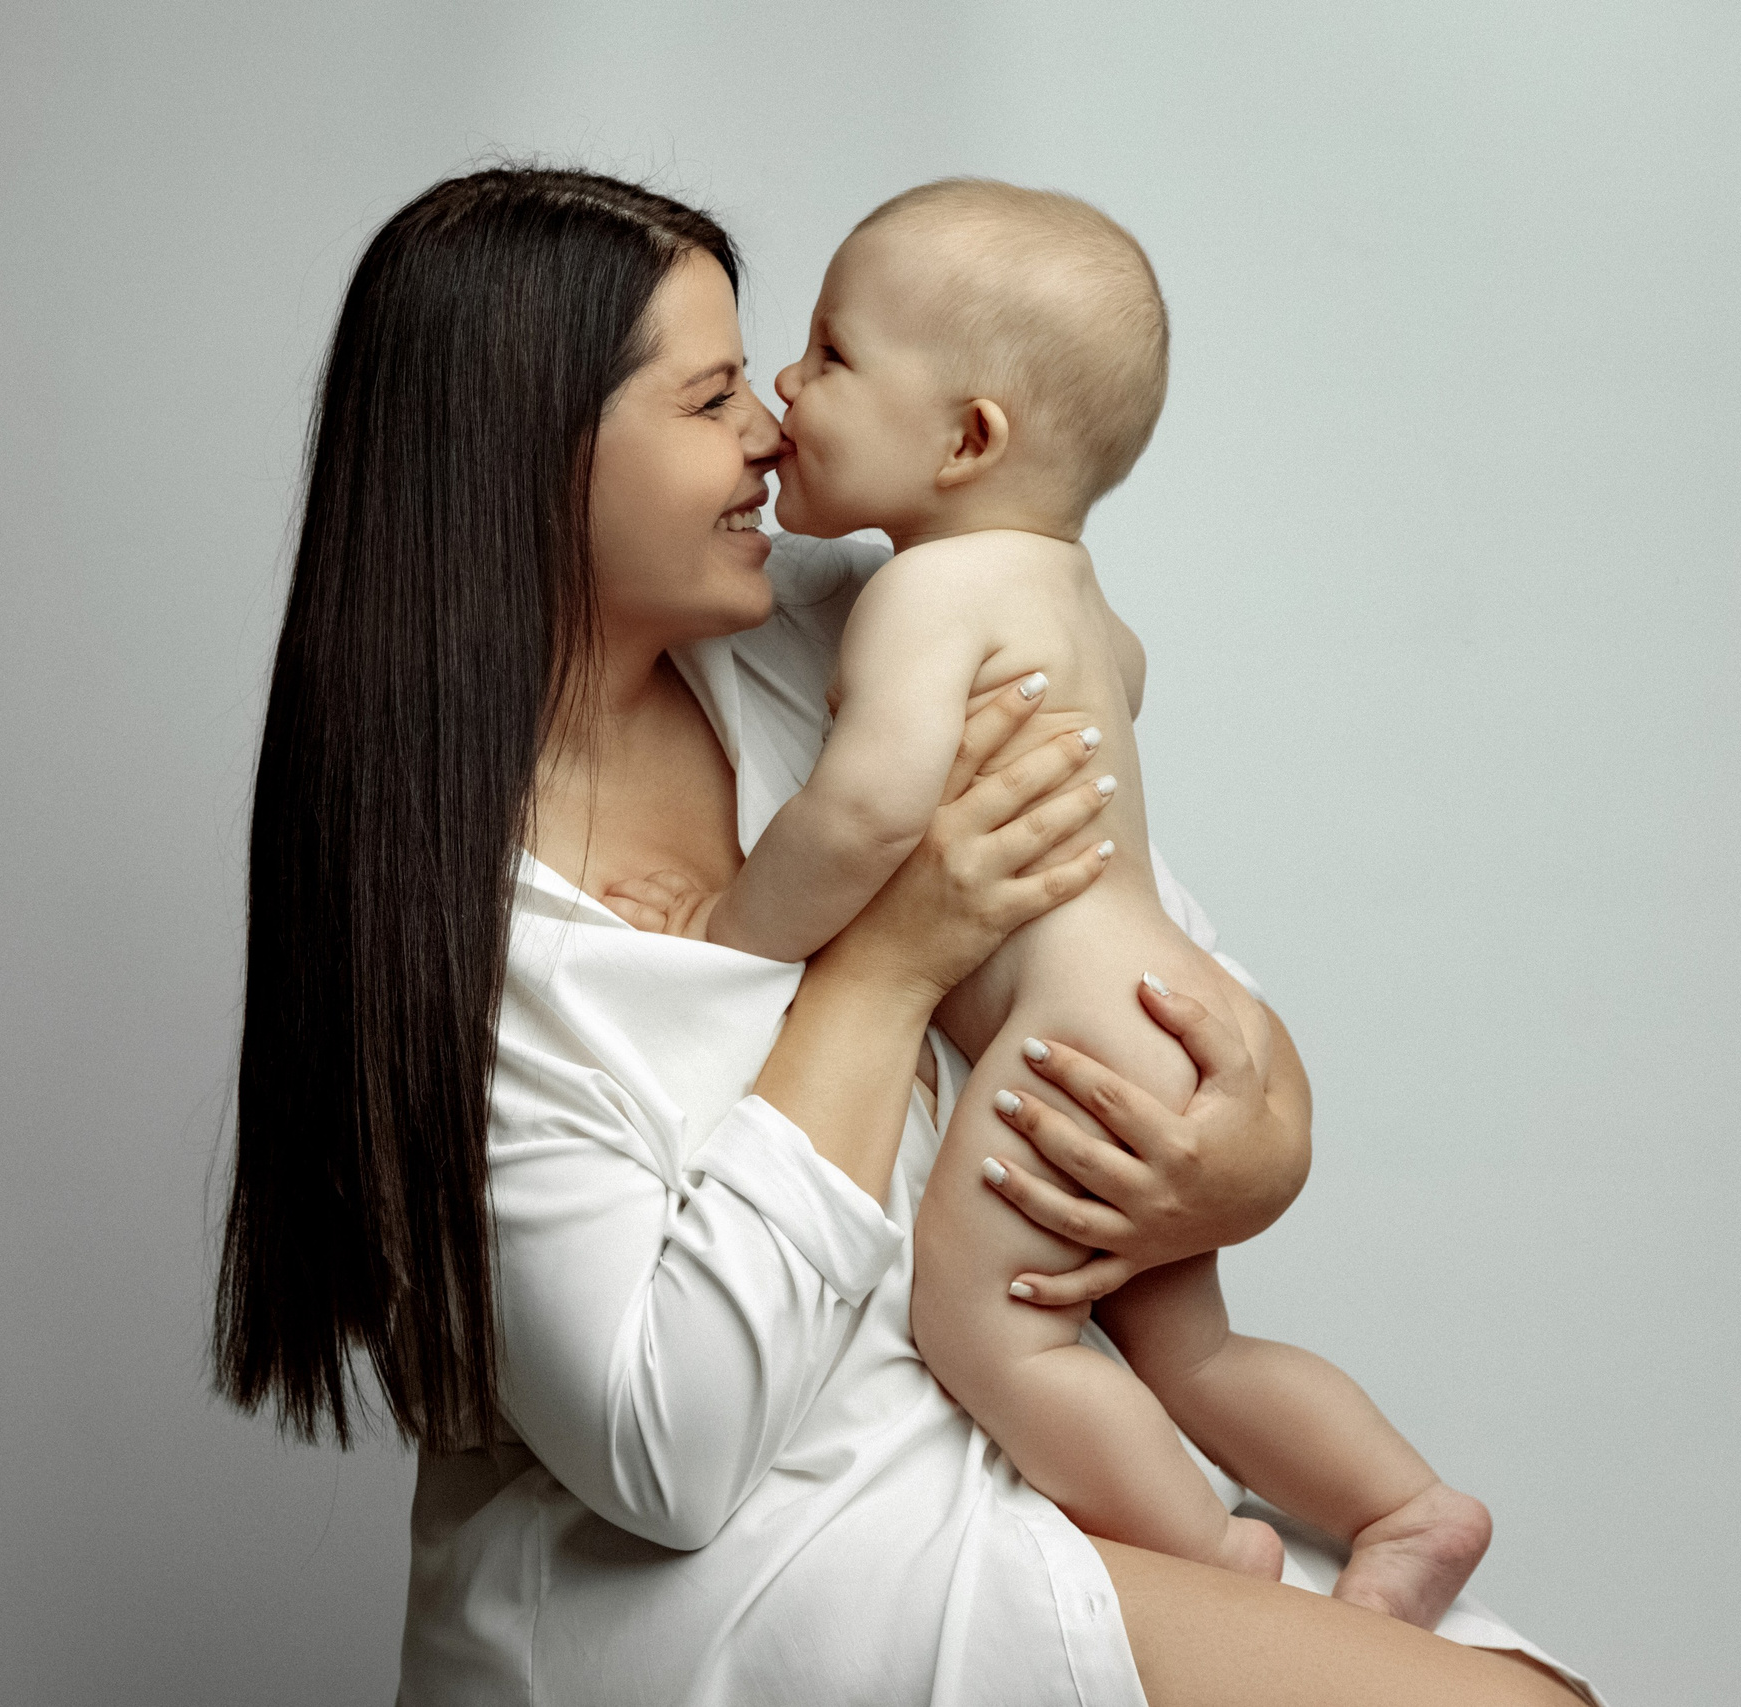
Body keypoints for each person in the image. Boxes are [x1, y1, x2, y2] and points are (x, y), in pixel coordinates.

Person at [214, 166, 1597, 1706]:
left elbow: (1135, 933)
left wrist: (1255, 1140)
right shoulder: (451, 924)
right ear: (531, 458)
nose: (769, 427)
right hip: (728, 1579)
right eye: (711, 395)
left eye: (769, 373)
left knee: (1535, 1688)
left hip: (1010, 1452)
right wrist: (881, 966)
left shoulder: (826, 625)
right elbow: (666, 1458)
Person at [598, 178, 1492, 1626]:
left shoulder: (923, 597)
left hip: (1066, 1043)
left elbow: (871, 807)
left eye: (828, 356)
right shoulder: (1075, 597)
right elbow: (1115, 699)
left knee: (985, 1333)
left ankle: (1215, 1568)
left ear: (966, 440)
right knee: (1186, 1350)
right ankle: (1403, 1505)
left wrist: (722, 932)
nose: (784, 388)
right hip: (1162, 1010)